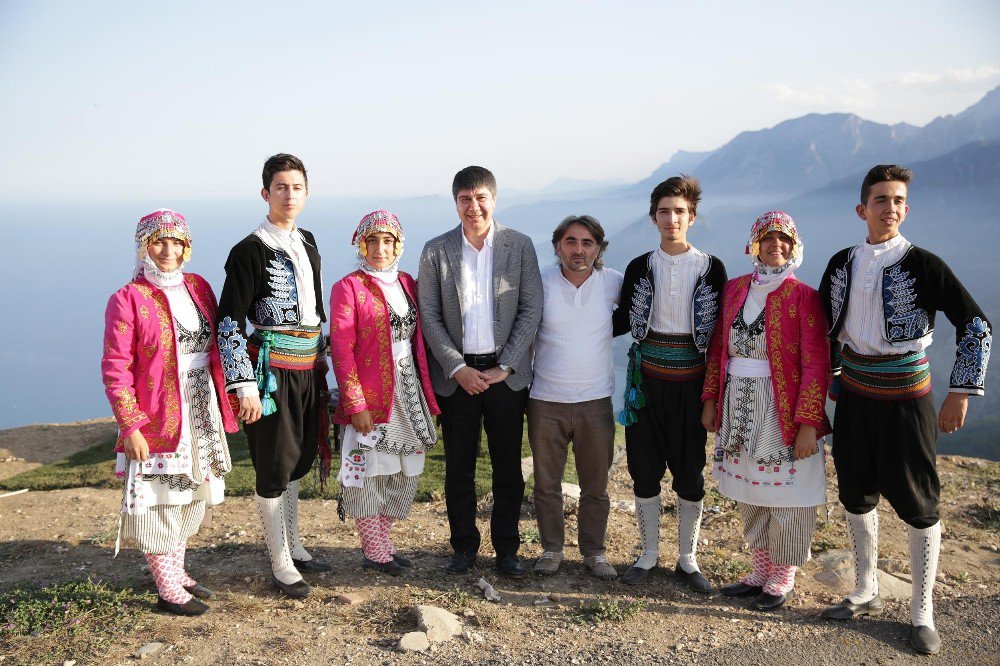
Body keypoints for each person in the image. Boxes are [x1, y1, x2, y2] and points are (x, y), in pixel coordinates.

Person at [817, 165, 991, 655]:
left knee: (919, 503)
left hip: (908, 399)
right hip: (853, 396)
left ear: (906, 209)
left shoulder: (925, 265)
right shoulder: (841, 263)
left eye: (897, 200)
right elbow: (826, 328)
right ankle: (866, 588)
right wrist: (831, 380)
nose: (889, 208)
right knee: (855, 493)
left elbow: (975, 323)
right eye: (880, 199)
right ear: (861, 209)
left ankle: (922, 610)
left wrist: (960, 391)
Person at [102, 209, 238, 616]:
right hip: (158, 412)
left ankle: (176, 572)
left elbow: (216, 343)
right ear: (144, 246)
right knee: (160, 498)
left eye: (176, 242)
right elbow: (115, 368)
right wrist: (132, 427)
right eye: (158, 241)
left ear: (187, 247)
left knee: (190, 490)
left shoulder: (198, 287)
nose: (167, 250)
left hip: (200, 406)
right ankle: (167, 589)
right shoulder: (128, 298)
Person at [701, 211, 831, 610]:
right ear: (753, 244)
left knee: (789, 493)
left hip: (782, 407)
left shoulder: (804, 296)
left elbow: (816, 361)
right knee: (749, 488)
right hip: (738, 401)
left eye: (785, 240)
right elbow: (719, 347)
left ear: (795, 246)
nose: (777, 245)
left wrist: (809, 423)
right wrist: (710, 401)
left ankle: (783, 576)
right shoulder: (735, 289)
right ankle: (759, 570)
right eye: (768, 238)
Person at [418, 166, 543, 578]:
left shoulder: (519, 245)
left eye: (481, 198)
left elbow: (531, 308)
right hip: (458, 377)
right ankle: (464, 546)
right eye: (465, 199)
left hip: (506, 374)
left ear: (495, 198)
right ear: (455, 202)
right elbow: (430, 316)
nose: (474, 207)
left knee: (508, 465)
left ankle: (507, 549)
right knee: (459, 466)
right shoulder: (436, 250)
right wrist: (456, 367)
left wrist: (505, 365)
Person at [216, 153, 331, 599]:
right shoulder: (248, 250)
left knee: (299, 458)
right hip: (270, 371)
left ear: (306, 193)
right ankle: (279, 560)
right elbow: (229, 321)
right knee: (274, 463)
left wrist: (323, 359)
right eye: (280, 187)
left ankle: (294, 542)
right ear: (266, 193)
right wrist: (242, 383)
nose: (289, 194)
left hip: (307, 366)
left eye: (296, 187)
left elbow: (314, 313)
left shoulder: (309, 241)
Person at [612, 175, 726, 591]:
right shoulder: (639, 267)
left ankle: (688, 558)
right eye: (664, 211)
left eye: (679, 211)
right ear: (653, 217)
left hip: (692, 384)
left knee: (690, 472)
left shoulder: (712, 268)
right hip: (646, 382)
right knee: (643, 469)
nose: (671, 218)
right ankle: (647, 555)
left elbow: (717, 339)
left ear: (692, 217)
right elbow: (622, 319)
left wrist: (714, 395)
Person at [329, 211, 440, 576]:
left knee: (404, 469)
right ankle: (374, 549)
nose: (380, 249)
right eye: (372, 241)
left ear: (398, 246)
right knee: (372, 469)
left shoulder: (407, 283)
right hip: (372, 391)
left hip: (407, 387)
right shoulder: (349, 287)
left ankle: (383, 541)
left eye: (387, 241)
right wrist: (354, 402)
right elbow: (342, 350)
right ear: (362, 244)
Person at [528, 215, 623, 580]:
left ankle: (594, 553)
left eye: (587, 243)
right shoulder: (540, 282)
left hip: (596, 400)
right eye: (570, 242)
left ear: (598, 248)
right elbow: (527, 329)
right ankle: (551, 549)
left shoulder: (612, 283)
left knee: (595, 486)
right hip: (546, 399)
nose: (578, 250)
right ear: (557, 247)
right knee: (546, 484)